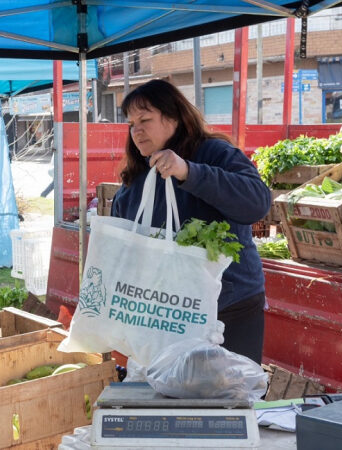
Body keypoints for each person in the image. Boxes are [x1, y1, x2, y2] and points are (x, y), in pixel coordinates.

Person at [111, 79, 271, 364]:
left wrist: (188, 172)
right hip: (167, 312)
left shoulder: (215, 153)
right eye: (131, 123)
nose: (136, 131)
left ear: (173, 117)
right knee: (175, 398)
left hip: (230, 306)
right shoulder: (137, 177)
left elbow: (256, 202)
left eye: (145, 119)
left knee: (229, 397)